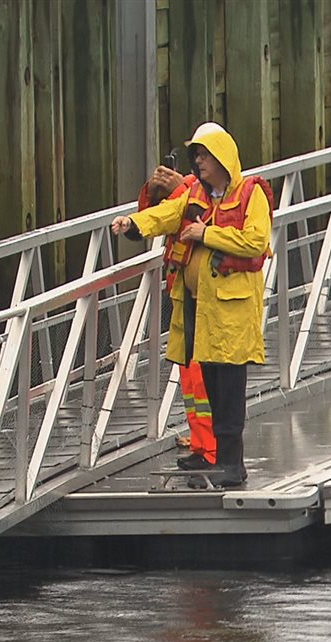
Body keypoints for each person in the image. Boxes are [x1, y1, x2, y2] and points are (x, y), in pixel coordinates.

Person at [112, 122, 273, 488]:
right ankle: (218, 457)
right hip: (200, 309)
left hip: (232, 312)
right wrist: (133, 224)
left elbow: (256, 242)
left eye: (203, 155)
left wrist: (206, 234)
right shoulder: (197, 195)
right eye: (196, 155)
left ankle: (232, 464)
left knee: (229, 390)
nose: (197, 162)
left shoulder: (251, 194)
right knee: (212, 387)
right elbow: (166, 215)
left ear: (221, 158)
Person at [133, 164, 217, 472]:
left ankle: (211, 448)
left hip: (210, 298)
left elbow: (202, 212)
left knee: (203, 378)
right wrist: (153, 191)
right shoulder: (189, 189)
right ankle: (201, 444)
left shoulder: (216, 191)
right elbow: (155, 216)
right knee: (190, 377)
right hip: (183, 293)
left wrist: (179, 187)